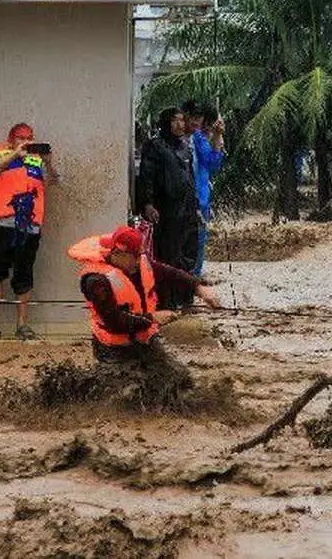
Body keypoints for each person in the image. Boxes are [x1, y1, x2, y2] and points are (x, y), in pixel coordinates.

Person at [67, 225, 220, 370]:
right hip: (113, 349)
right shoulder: (96, 281)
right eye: (135, 256)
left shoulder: (138, 263)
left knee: (177, 377)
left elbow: (170, 273)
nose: (139, 261)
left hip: (144, 339)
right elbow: (114, 321)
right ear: (118, 254)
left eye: (140, 255)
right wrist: (153, 318)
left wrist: (199, 288)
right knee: (130, 386)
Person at [0, 123, 60, 340]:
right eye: (21, 137)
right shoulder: (0, 153)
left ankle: (22, 325)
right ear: (11, 140)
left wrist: (49, 163)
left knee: (24, 273)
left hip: (29, 227)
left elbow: (55, 181)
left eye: (30, 137)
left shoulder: (37, 160)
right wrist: (15, 154)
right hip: (2, 224)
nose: (26, 141)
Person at [136, 107, 199, 308]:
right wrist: (147, 203)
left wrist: (196, 205)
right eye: (175, 120)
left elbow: (189, 178)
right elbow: (147, 176)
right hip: (166, 209)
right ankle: (166, 301)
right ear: (166, 123)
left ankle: (184, 298)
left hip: (187, 209)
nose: (180, 124)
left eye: (182, 120)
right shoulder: (155, 146)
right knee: (167, 255)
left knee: (188, 254)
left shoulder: (185, 147)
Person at [184, 100, 225, 277]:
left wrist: (216, 138)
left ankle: (193, 276)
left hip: (200, 196)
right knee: (196, 241)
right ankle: (193, 277)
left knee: (196, 240)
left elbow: (212, 164)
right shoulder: (197, 139)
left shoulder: (197, 139)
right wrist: (216, 139)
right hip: (197, 197)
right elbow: (212, 162)